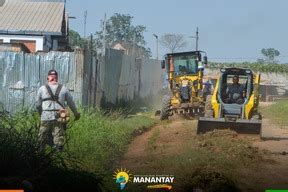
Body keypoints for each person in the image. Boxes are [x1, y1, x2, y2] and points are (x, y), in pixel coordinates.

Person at [36, 69, 80, 151]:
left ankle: (40, 156)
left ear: (48, 78)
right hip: (59, 117)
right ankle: (58, 155)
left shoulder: (42, 89)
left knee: (42, 138)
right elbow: (71, 103)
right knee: (58, 139)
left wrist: (40, 114)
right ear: (57, 78)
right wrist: (76, 113)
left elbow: (38, 105)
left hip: (45, 116)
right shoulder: (63, 88)